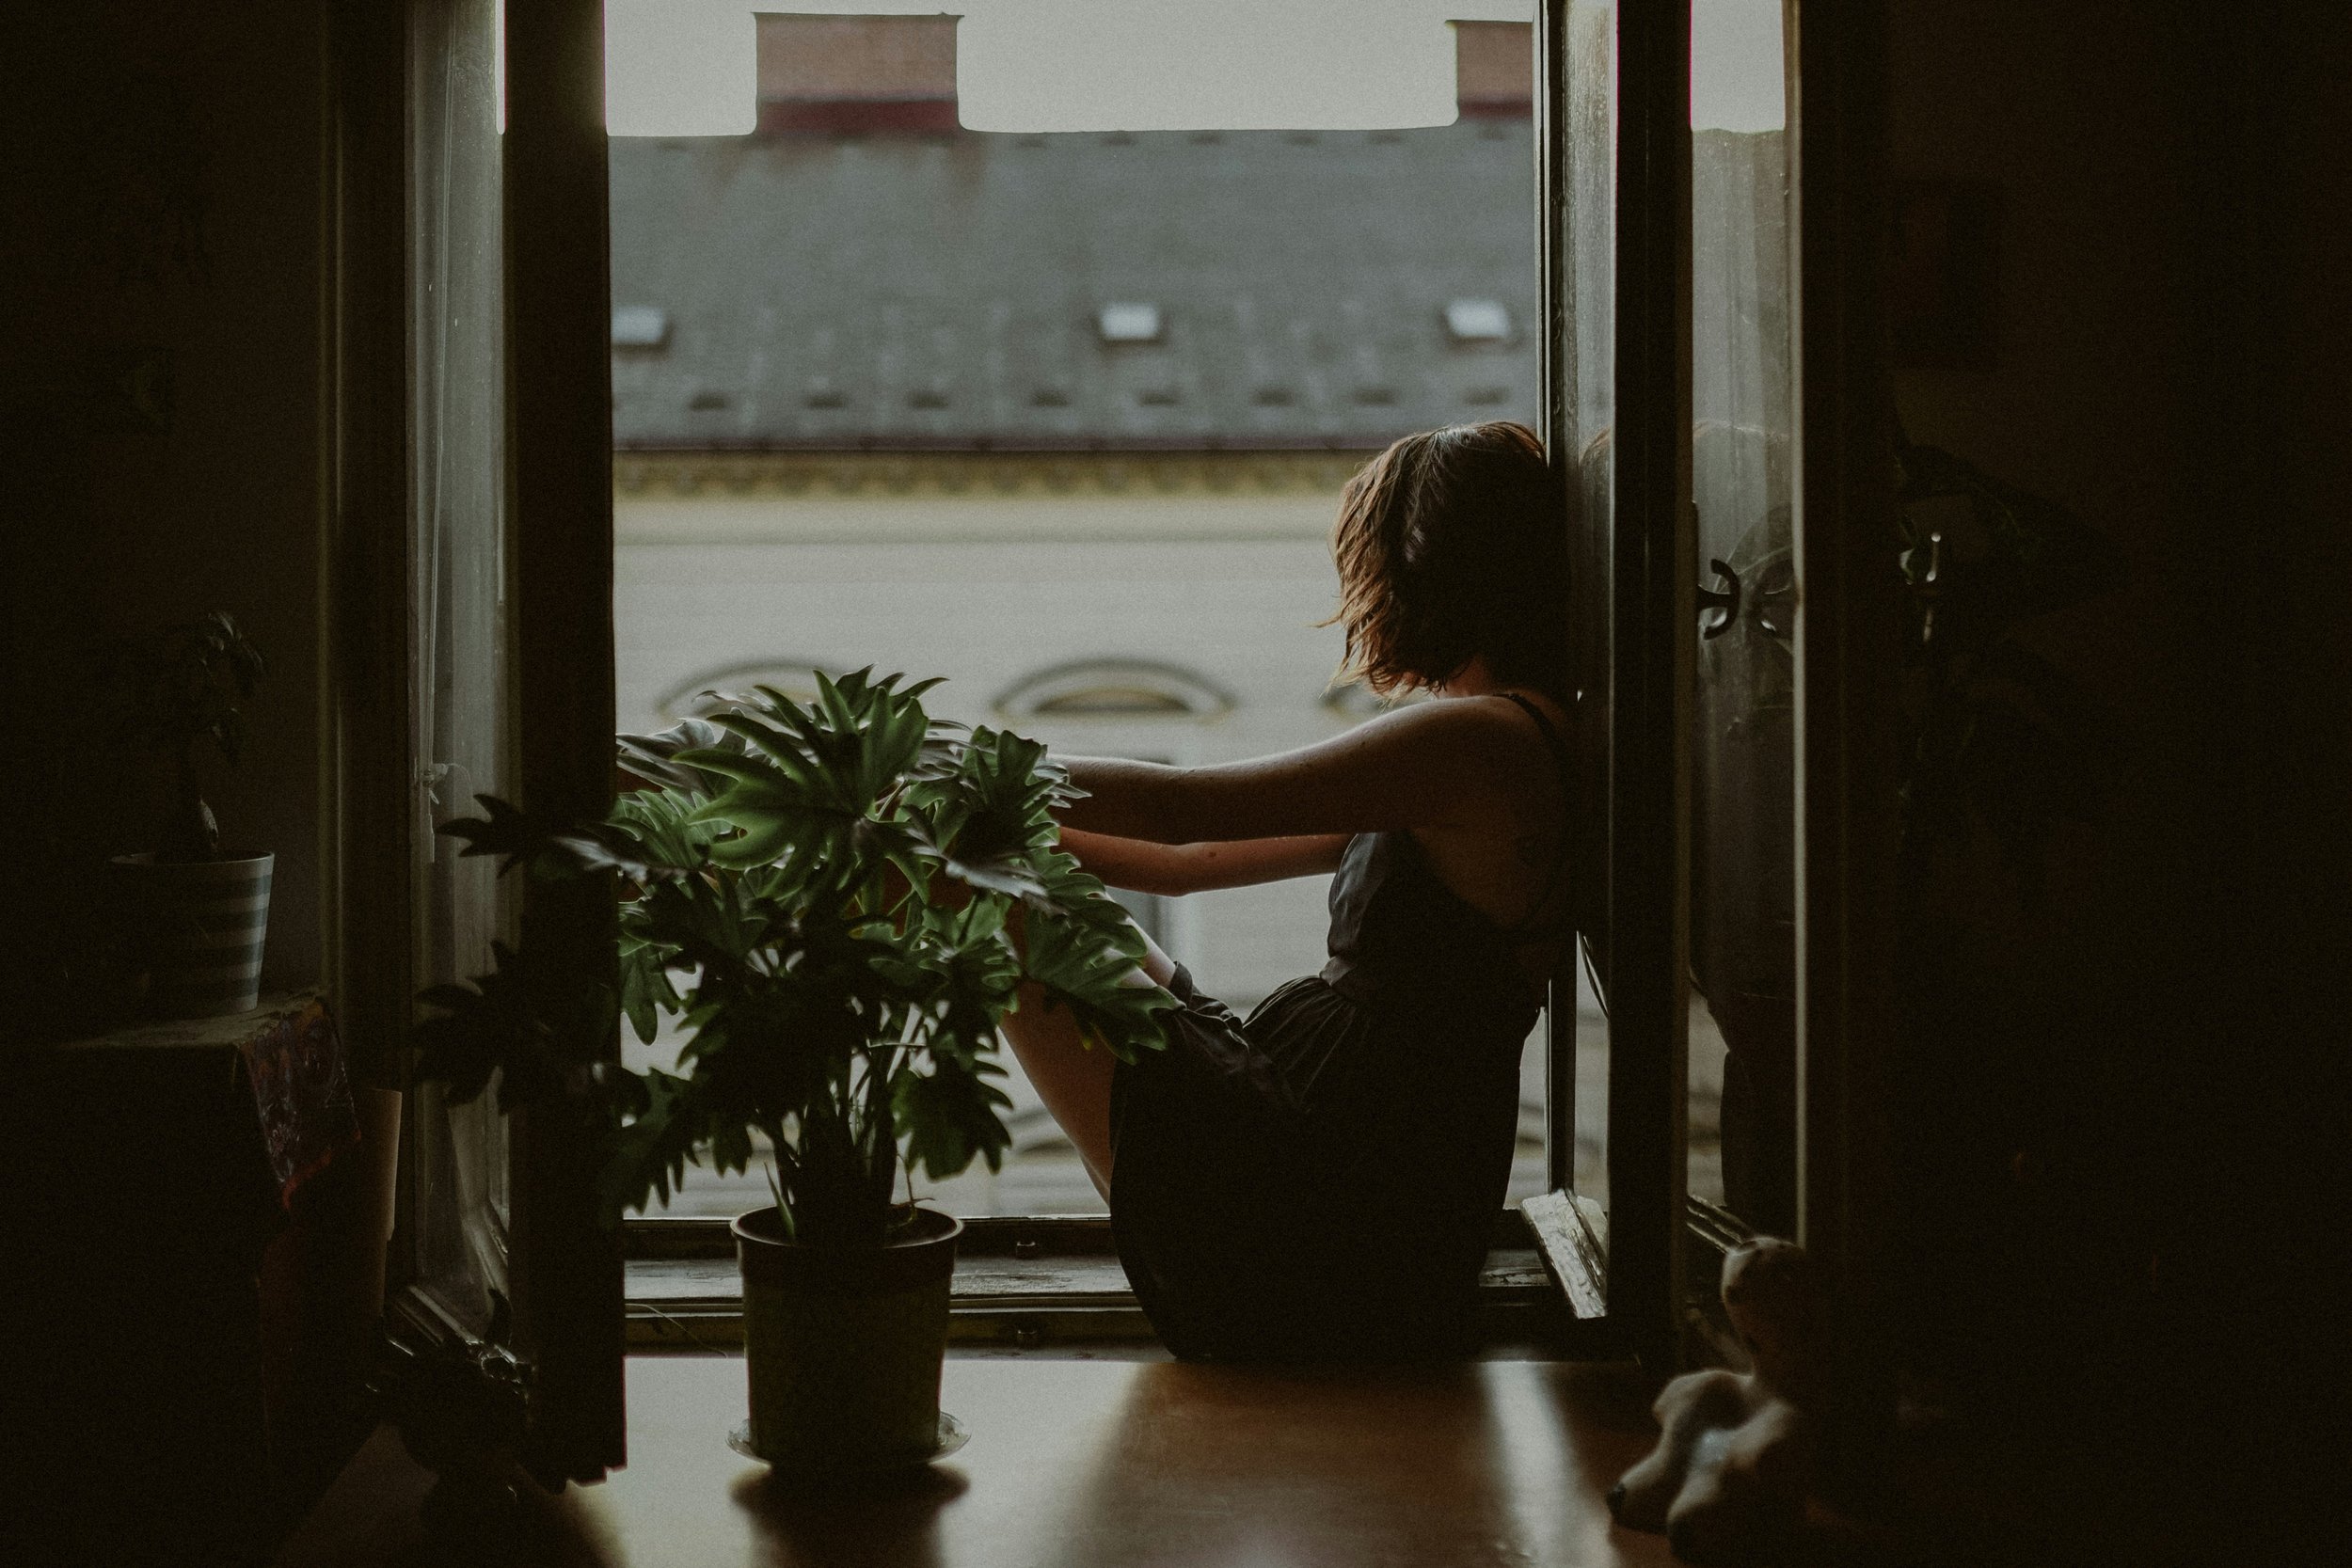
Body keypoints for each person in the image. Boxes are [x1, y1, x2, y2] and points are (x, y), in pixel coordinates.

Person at [1002, 420, 1574, 1359]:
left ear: (1418, 572)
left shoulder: (1481, 743)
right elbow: (1176, 863)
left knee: (990, 906)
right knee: (1014, 886)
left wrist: (978, 775)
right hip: (1338, 1152)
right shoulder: (1496, 742)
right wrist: (1012, 837)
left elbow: (1176, 806)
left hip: (1329, 1192)